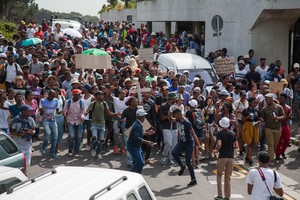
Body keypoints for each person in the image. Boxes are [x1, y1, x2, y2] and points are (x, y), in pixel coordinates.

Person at [171, 108, 201, 187]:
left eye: (175, 116)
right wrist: (169, 113)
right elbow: (171, 120)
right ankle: (182, 165)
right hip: (182, 142)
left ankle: (193, 179)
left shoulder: (186, 122)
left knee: (188, 162)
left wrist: (198, 145)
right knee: (173, 152)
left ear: (179, 114)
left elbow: (193, 134)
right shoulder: (178, 120)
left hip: (188, 143)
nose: (174, 117)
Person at [214, 117, 239, 200]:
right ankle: (227, 196)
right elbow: (236, 146)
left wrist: (216, 150)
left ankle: (220, 195)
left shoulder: (219, 133)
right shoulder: (232, 133)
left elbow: (219, 144)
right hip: (231, 157)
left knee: (219, 176)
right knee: (228, 177)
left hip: (222, 157)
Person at [127, 108, 155, 174]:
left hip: (136, 146)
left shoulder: (137, 123)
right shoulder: (138, 126)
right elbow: (136, 138)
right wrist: (147, 142)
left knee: (139, 163)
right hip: (133, 147)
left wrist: (147, 133)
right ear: (142, 117)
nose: (145, 117)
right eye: (144, 116)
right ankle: (131, 175)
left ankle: (137, 175)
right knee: (140, 163)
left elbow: (139, 134)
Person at [10, 105, 36, 175]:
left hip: (28, 144)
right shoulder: (15, 120)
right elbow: (11, 131)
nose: (30, 112)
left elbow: (34, 130)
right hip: (18, 145)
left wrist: (32, 132)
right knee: (19, 164)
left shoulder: (31, 119)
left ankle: (25, 176)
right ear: (23, 112)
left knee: (27, 163)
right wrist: (18, 134)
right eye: (28, 111)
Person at [261, 93, 285, 165]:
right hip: (268, 128)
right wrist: (261, 119)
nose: (266, 100)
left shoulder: (279, 107)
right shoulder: (264, 109)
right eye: (265, 99)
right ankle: (271, 159)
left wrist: (278, 118)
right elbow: (263, 118)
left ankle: (271, 155)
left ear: (272, 99)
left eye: (267, 99)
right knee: (270, 144)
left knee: (275, 144)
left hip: (277, 128)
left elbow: (283, 116)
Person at [64, 89, 85, 157]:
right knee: (72, 136)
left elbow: (83, 111)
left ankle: (76, 152)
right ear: (74, 95)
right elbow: (65, 110)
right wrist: (66, 113)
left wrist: (82, 116)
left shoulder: (81, 102)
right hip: (70, 121)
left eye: (79, 94)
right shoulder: (68, 102)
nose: (79, 96)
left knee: (79, 137)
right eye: (78, 94)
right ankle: (70, 150)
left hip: (79, 122)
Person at [39, 90, 59, 159]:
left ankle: (52, 152)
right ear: (48, 95)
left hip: (53, 119)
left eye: (53, 96)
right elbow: (41, 113)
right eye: (51, 96)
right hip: (45, 119)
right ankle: (43, 146)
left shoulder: (56, 100)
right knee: (47, 133)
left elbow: (57, 110)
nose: (52, 98)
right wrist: (42, 110)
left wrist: (60, 112)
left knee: (55, 136)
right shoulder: (42, 101)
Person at [159, 92, 178, 165]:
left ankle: (171, 158)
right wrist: (168, 115)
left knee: (174, 144)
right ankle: (164, 155)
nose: (175, 99)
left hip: (174, 127)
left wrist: (175, 118)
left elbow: (178, 116)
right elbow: (162, 118)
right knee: (168, 143)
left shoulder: (175, 106)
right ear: (171, 99)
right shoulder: (163, 106)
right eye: (174, 98)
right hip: (166, 127)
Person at [241, 97, 261, 165]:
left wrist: (259, 120)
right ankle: (250, 158)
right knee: (249, 143)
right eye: (254, 103)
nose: (255, 104)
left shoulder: (257, 110)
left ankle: (247, 157)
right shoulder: (246, 110)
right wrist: (247, 117)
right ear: (250, 103)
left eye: (256, 103)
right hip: (247, 127)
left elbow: (259, 118)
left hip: (254, 127)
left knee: (252, 142)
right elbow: (242, 120)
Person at [275, 93, 292, 160]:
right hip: (278, 126)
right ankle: (277, 154)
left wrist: (290, 116)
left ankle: (282, 152)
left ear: (285, 99)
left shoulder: (288, 108)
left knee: (287, 140)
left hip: (285, 126)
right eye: (280, 98)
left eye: (282, 98)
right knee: (278, 142)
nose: (280, 100)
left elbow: (290, 116)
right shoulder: (276, 107)